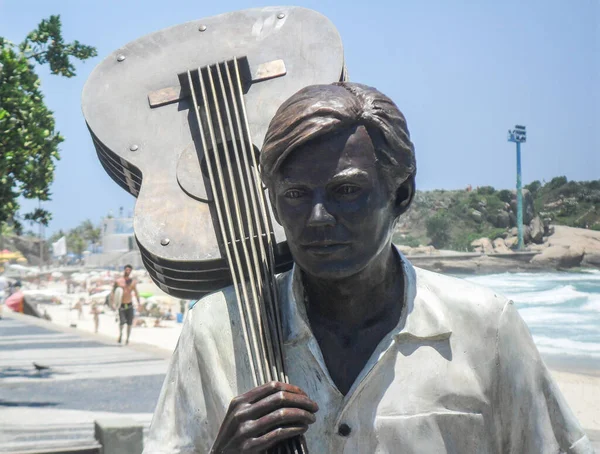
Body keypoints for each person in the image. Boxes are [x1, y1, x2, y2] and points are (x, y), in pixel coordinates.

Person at [145, 83, 592, 453]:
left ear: (400, 195)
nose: (318, 217)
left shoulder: (487, 328)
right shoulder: (216, 330)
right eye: (296, 195)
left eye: (346, 191)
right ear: (274, 207)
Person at [112, 264, 139, 345]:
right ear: (124, 270)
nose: (128, 271)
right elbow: (113, 292)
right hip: (121, 305)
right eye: (126, 270)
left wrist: (139, 303)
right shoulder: (118, 281)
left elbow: (136, 293)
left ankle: (127, 338)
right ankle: (120, 334)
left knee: (129, 323)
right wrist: (113, 303)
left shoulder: (132, 282)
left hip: (130, 304)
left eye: (129, 270)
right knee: (122, 322)